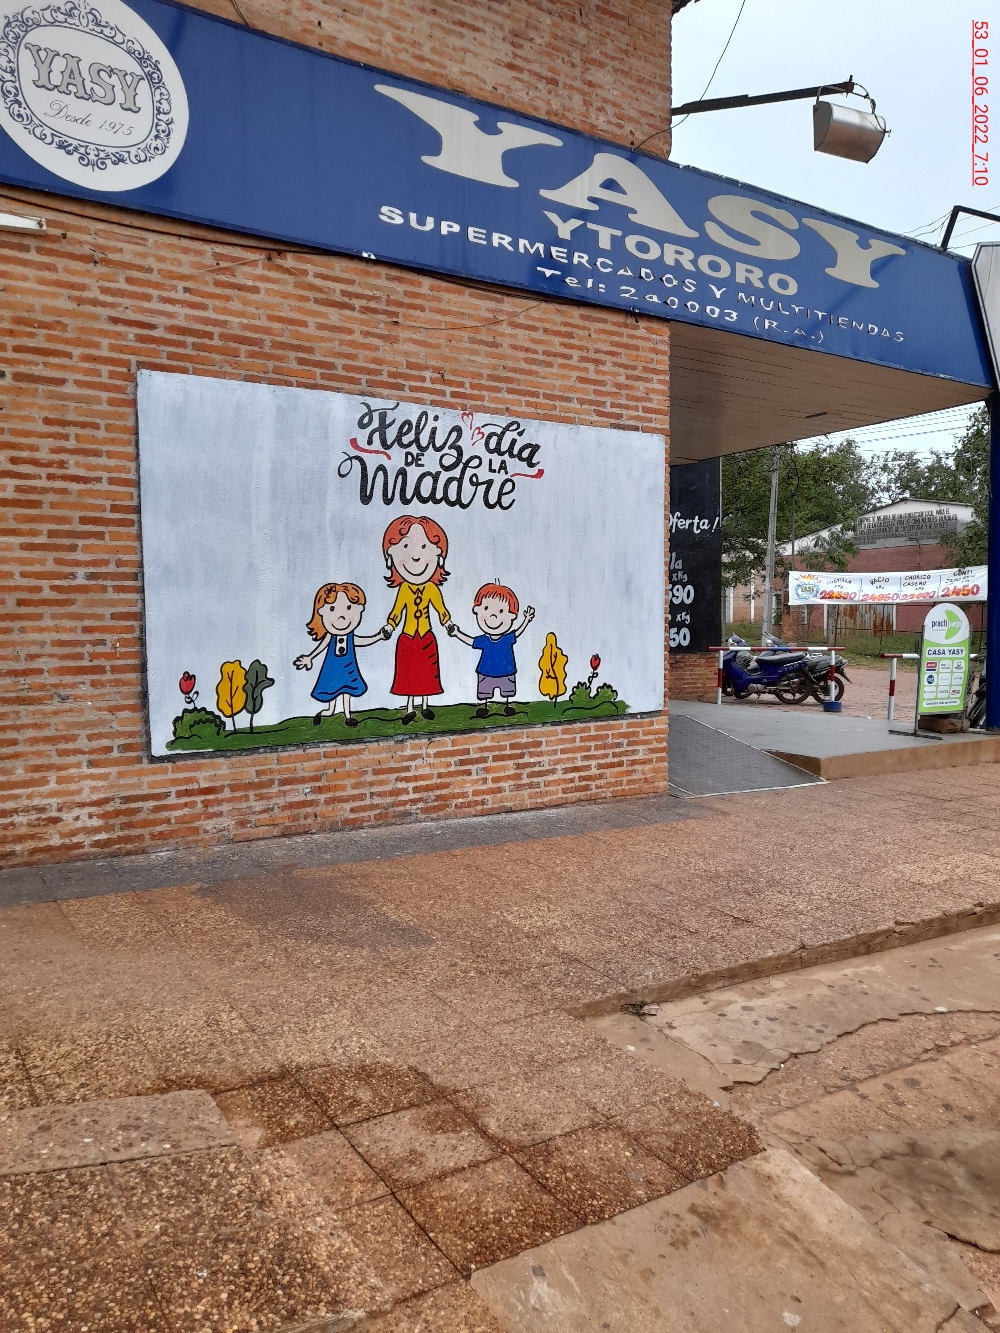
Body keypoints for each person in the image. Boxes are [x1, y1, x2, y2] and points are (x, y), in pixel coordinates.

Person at [381, 515, 452, 724]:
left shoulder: (431, 588)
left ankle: (425, 705)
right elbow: (397, 611)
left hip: (426, 637)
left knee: (427, 673)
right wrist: (390, 626)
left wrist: (448, 623)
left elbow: (440, 609)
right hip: (408, 637)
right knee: (409, 674)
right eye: (405, 547)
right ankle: (410, 707)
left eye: (423, 547)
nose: (415, 556)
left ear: (439, 556)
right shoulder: (404, 589)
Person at [294, 582, 389, 727]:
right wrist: (310, 657)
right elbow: (321, 646)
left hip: (348, 668)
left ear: (359, 609)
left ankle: (348, 716)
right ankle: (325, 712)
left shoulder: (350, 637)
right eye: (332, 609)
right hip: (332, 669)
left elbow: (363, 641)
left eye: (349, 608)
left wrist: (379, 636)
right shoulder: (330, 636)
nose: (341, 616)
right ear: (322, 612)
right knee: (332, 693)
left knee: (347, 691)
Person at [448, 581, 534, 717]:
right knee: (485, 691)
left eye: (501, 611)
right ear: (477, 610)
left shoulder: (507, 638)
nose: (493, 616)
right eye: (486, 609)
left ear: (512, 615)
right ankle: (485, 707)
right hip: (486, 672)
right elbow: (471, 641)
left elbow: (517, 632)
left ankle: (507, 706)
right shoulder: (484, 640)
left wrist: (526, 620)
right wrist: (457, 633)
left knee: (507, 691)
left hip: (506, 671)